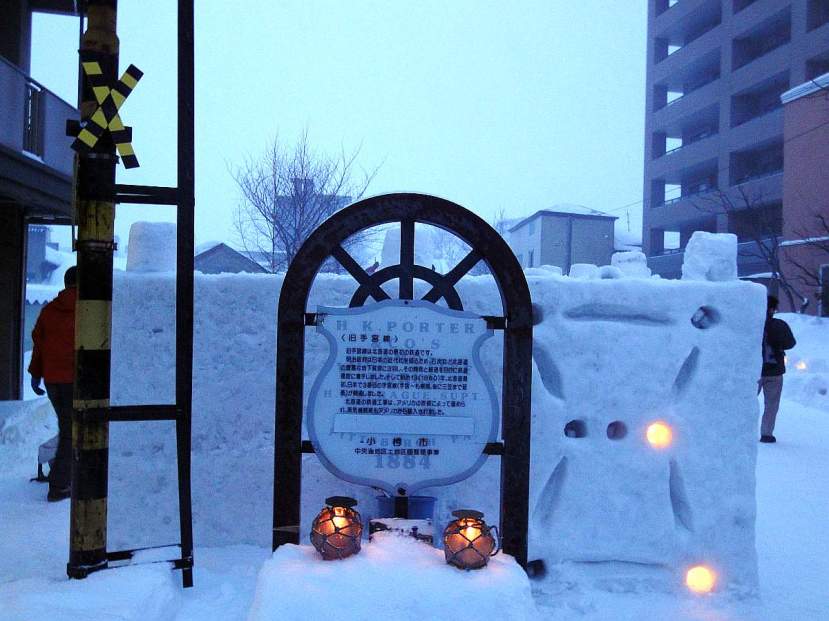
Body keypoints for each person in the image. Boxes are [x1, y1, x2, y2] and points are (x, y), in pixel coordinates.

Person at [29, 266, 77, 501]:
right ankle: (59, 486)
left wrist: (35, 374)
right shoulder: (88, 309)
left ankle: (66, 475)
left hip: (53, 381)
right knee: (72, 431)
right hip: (75, 380)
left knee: (68, 427)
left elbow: (39, 345)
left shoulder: (49, 310)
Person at [758, 295, 796, 443]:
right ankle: (766, 433)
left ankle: (741, 430)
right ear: (772, 309)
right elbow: (790, 343)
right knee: (771, 404)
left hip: (753, 371)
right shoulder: (779, 325)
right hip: (774, 370)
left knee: (746, 401)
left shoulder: (750, 324)